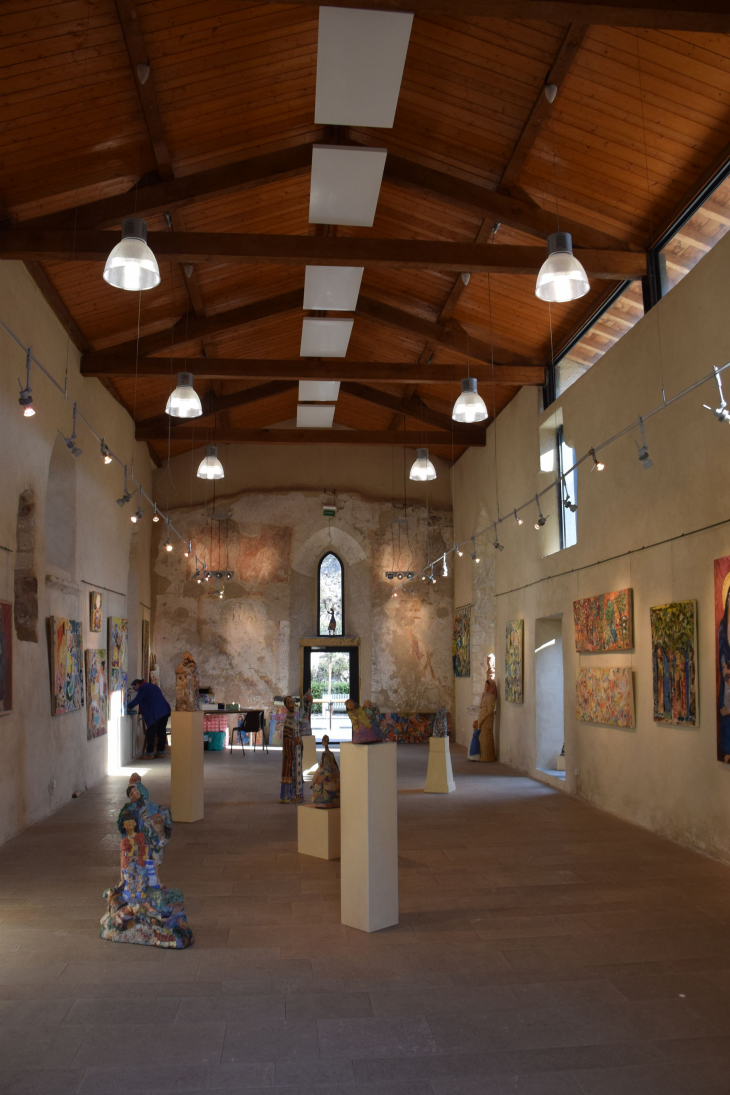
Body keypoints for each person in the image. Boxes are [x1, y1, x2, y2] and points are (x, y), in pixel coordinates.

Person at [128, 678, 171, 758]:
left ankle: (150, 753)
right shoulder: (152, 686)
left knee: (151, 731)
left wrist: (127, 706)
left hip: (156, 713)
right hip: (165, 710)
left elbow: (137, 700)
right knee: (161, 731)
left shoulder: (143, 689)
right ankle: (160, 752)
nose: (135, 690)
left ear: (137, 684)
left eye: (134, 688)